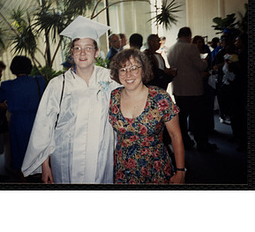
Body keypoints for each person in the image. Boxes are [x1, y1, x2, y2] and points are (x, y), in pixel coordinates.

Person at [22, 16, 119, 184]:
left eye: (88, 48)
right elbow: (44, 126)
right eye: (77, 48)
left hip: (101, 158)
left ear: (96, 52)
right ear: (71, 52)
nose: (82, 53)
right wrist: (45, 165)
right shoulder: (58, 85)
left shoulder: (110, 79)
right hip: (67, 159)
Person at [109, 48, 185, 184]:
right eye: (123, 69)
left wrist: (180, 171)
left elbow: (175, 136)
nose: (128, 74)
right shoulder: (113, 97)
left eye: (134, 68)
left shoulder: (160, 97)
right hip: (123, 169)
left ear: (143, 70)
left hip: (155, 167)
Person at [0, 56, 46, 182]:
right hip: (37, 120)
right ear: (29, 67)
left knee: (20, 153)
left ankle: (24, 183)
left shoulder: (7, 85)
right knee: (39, 151)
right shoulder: (39, 81)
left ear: (13, 69)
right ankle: (41, 178)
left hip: (18, 122)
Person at [168, 27, 218, 152]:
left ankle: (185, 141)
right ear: (188, 36)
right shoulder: (191, 47)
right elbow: (200, 65)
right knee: (198, 118)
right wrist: (205, 61)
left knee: (182, 118)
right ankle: (202, 143)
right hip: (193, 89)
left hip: (179, 88)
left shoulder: (171, 49)